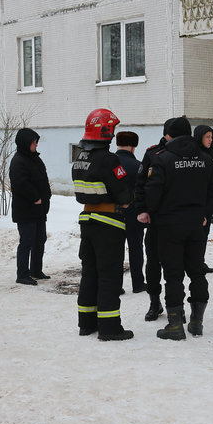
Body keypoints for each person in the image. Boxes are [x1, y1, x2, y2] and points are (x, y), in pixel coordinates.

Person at [145, 116, 213, 340]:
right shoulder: (206, 159)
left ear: (170, 135)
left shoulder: (163, 159)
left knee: (173, 275)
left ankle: (175, 324)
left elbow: (153, 193)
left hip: (169, 225)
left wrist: (153, 213)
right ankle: (197, 322)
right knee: (196, 271)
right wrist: (205, 214)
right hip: (196, 225)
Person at [73, 108, 135, 341]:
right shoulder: (108, 159)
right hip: (108, 223)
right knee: (109, 275)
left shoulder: (80, 158)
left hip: (87, 221)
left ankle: (86, 323)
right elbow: (125, 194)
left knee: (89, 273)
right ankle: (109, 327)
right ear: (106, 131)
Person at [134, 118, 178, 322]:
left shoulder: (185, 154)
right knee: (153, 263)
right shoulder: (152, 153)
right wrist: (142, 209)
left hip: (176, 219)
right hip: (155, 220)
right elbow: (140, 184)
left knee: (174, 264)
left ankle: (175, 305)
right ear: (167, 135)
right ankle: (154, 302)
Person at [9, 127, 51, 285]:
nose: (36, 145)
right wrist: (35, 197)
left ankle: (36, 270)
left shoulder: (34, 158)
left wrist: (46, 197)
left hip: (39, 209)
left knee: (40, 239)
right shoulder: (18, 161)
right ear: (25, 143)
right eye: (34, 142)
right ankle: (22, 274)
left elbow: (42, 178)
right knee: (26, 241)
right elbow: (20, 183)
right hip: (26, 209)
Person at [115, 130, 145, 293]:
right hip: (134, 214)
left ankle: (116, 285)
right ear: (134, 146)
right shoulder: (138, 165)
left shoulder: (109, 162)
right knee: (136, 248)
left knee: (115, 250)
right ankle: (138, 283)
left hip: (112, 214)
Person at [193, 124, 213, 274]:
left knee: (204, 234)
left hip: (208, 202)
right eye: (207, 137)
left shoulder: (211, 154)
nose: (210, 140)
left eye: (212, 137)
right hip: (197, 202)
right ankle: (195, 262)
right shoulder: (196, 156)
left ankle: (199, 261)